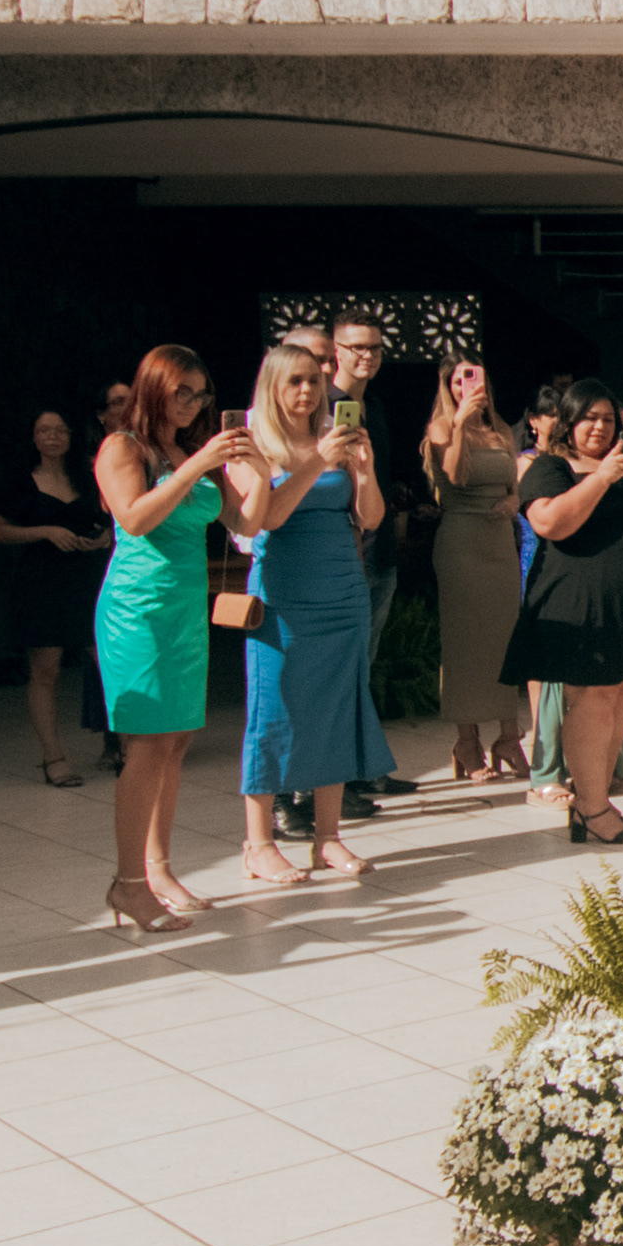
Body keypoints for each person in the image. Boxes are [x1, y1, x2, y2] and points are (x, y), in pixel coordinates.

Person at [93, 345, 249, 931]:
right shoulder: (123, 447)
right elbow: (133, 517)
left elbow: (247, 521)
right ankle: (127, 883)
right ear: (154, 387)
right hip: (139, 609)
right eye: (183, 391)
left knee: (176, 741)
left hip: (185, 609)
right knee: (147, 745)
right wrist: (195, 465)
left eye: (201, 395)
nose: (193, 404)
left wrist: (257, 468)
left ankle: (157, 871)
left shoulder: (191, 451)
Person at [229, 340, 393, 886]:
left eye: (313, 380)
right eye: (294, 381)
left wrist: (364, 470)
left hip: (343, 591)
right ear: (271, 387)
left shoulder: (335, 438)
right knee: (273, 713)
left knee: (337, 710)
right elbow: (267, 518)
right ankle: (258, 844)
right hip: (284, 595)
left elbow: (370, 518)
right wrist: (318, 461)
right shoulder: (253, 444)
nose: (306, 390)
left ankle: (328, 837)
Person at [503, 380, 623, 847]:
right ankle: (591, 807)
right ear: (568, 422)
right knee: (591, 698)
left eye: (608, 419)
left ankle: (595, 798)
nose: (600, 427)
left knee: (622, 695)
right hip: (581, 604)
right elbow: (549, 522)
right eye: (589, 418)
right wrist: (602, 478)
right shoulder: (550, 467)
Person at [0, 407, 110, 787]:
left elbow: (114, 518)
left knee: (109, 662)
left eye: (60, 430)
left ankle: (124, 745)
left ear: (71, 436)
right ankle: (53, 757)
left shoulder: (88, 476)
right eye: (44, 430)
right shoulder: (21, 482)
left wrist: (104, 538)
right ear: (34, 437)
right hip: (42, 581)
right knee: (46, 669)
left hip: (88, 577)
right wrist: (46, 531)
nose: (53, 436)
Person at [327, 314, 422, 799]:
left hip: (379, 550)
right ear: (336, 351)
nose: (367, 356)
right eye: (357, 347)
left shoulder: (375, 407)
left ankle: (362, 767)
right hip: (343, 556)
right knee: (341, 670)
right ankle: (336, 777)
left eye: (376, 348)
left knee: (362, 667)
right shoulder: (323, 406)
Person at [426, 360, 530, 782]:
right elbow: (454, 475)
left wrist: (515, 502)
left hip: (499, 542)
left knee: (506, 639)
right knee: (465, 642)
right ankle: (466, 741)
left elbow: (514, 484)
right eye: (457, 380)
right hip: (462, 541)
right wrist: (460, 425)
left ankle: (509, 737)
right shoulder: (441, 428)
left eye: (474, 378)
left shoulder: (502, 429)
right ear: (448, 387)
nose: (466, 386)